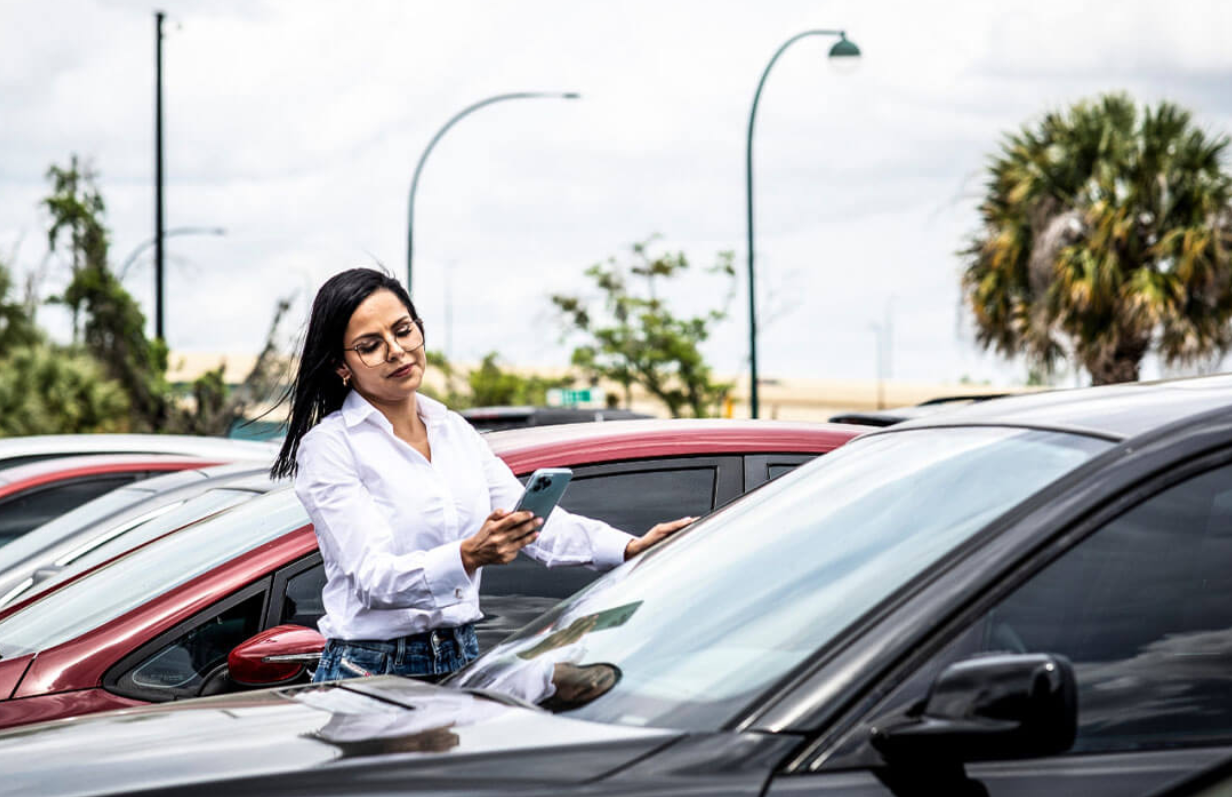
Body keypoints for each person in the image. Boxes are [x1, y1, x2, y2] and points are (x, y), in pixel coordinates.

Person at [270, 267, 694, 684]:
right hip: (370, 669)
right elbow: (373, 579)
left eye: (403, 331)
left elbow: (533, 524)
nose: (397, 351)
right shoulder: (331, 446)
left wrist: (630, 547)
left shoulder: (452, 429)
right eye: (370, 345)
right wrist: (469, 555)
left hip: (461, 654)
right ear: (341, 366)